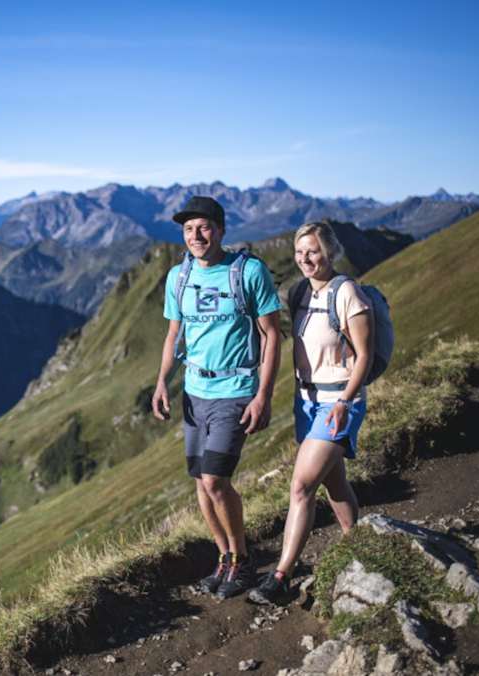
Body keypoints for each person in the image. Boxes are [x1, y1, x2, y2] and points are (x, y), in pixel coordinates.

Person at [152, 196, 282, 599]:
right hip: (194, 391)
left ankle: (242, 561)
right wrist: (161, 382)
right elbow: (175, 334)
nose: (196, 235)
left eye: (204, 227)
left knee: (215, 479)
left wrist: (263, 395)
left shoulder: (249, 271)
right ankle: (224, 557)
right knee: (199, 483)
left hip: (235, 390)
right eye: (188, 230)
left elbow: (272, 334)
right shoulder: (179, 277)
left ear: (221, 230)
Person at [247, 221, 370, 606]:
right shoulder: (299, 291)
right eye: (300, 253)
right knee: (334, 484)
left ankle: (281, 575)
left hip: (338, 401)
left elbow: (365, 355)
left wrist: (344, 402)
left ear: (330, 252)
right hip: (306, 401)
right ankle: (361, 545)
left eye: (313, 252)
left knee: (301, 487)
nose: (305, 259)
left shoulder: (347, 292)